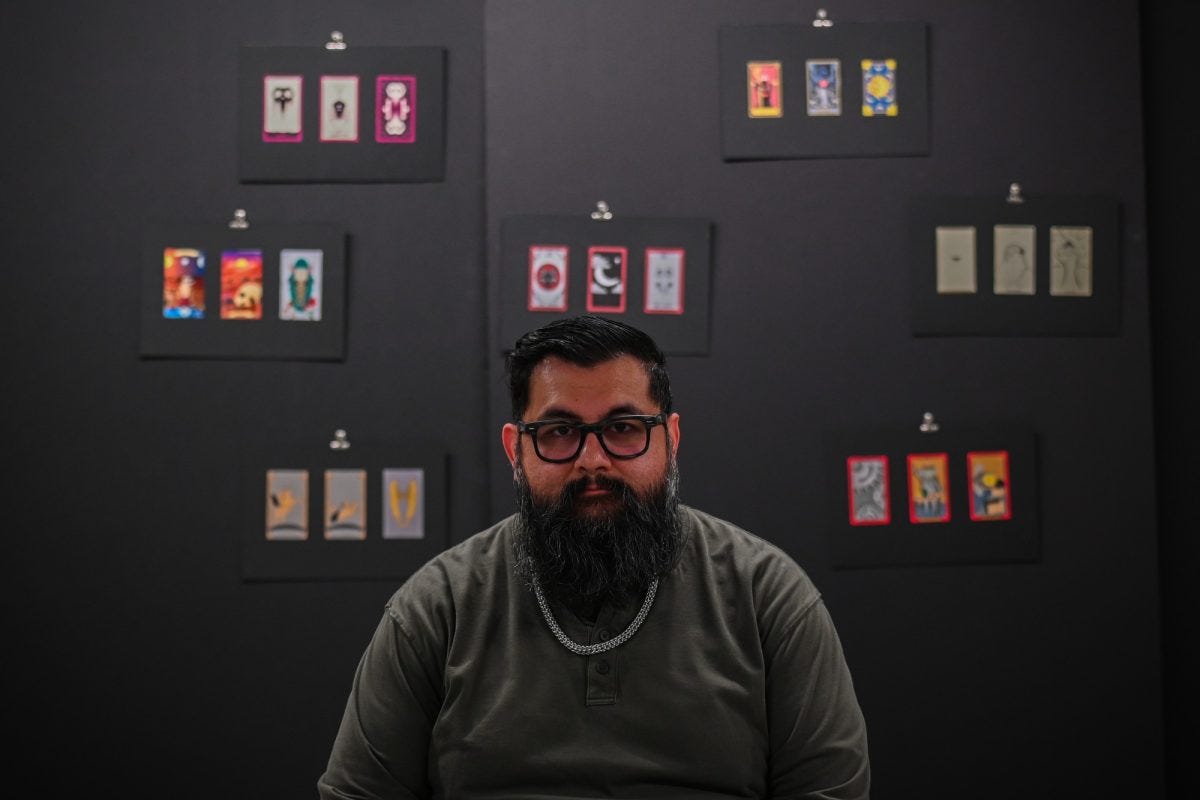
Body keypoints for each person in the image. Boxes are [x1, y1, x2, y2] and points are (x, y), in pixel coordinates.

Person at [318, 315, 870, 799]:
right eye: (560, 432)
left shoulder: (767, 596)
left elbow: (829, 792)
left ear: (670, 440)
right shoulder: (437, 607)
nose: (592, 460)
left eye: (623, 428)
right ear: (516, 450)